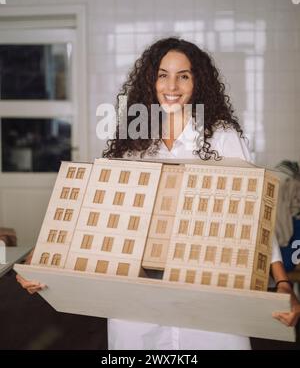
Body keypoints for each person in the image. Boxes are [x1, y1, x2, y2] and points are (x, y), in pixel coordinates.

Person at [17, 37, 300, 349]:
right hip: (137, 289)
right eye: (163, 75)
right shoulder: (133, 141)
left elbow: (254, 211)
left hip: (209, 285)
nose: (172, 86)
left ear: (198, 81)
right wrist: (45, 255)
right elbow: (100, 207)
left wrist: (283, 282)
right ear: (151, 81)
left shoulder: (222, 137)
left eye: (184, 75)